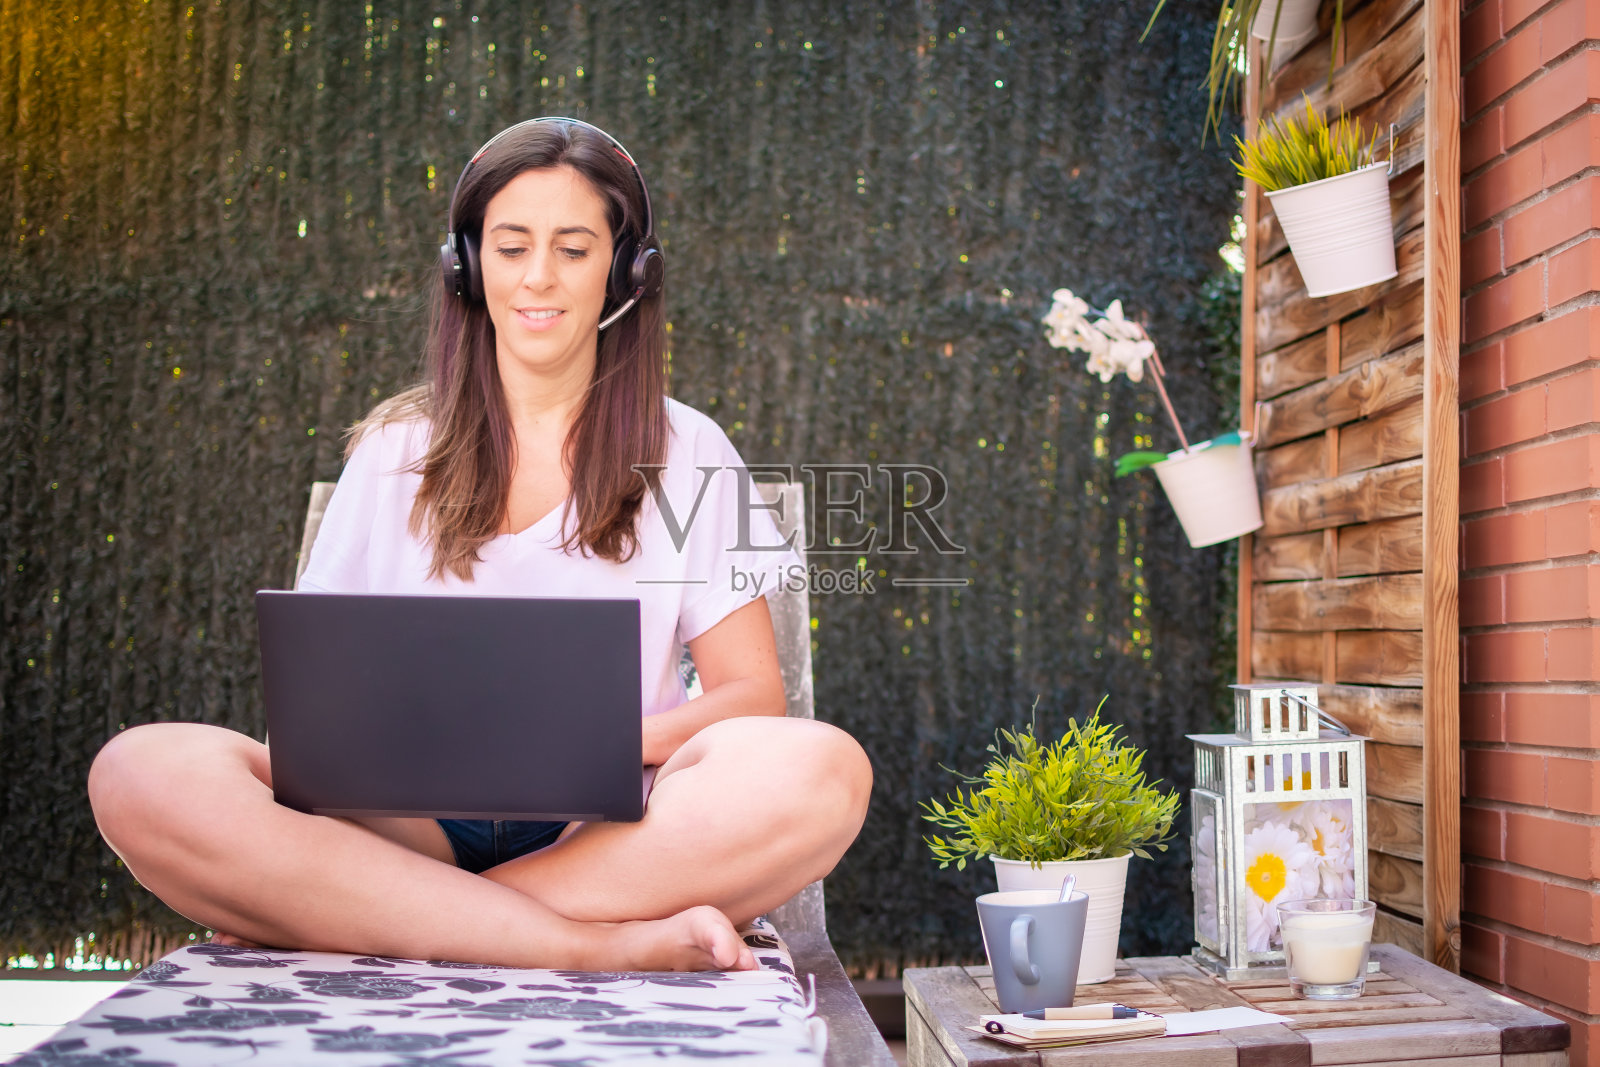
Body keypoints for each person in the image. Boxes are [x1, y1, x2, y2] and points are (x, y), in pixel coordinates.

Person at [87, 118, 873, 973]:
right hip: (403, 826)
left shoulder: (691, 447)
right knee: (138, 771)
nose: (539, 277)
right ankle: (582, 945)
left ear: (624, 269)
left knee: (825, 770)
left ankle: (373, 917)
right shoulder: (393, 446)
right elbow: (313, 713)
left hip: (608, 835)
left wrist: (592, 738)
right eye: (511, 246)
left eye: (574, 249)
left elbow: (752, 697)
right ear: (467, 264)